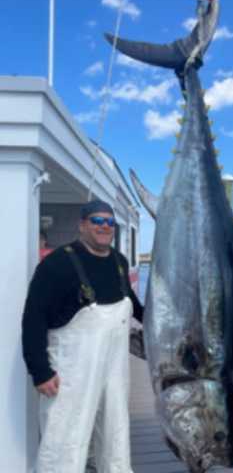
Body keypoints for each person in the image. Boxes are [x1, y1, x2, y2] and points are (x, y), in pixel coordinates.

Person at [22, 200, 143, 473]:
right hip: (70, 372)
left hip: (114, 370)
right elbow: (33, 318)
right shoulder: (57, 264)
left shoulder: (118, 261)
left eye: (110, 222)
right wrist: (39, 370)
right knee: (65, 439)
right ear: (82, 225)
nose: (104, 227)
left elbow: (133, 304)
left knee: (115, 433)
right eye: (97, 221)